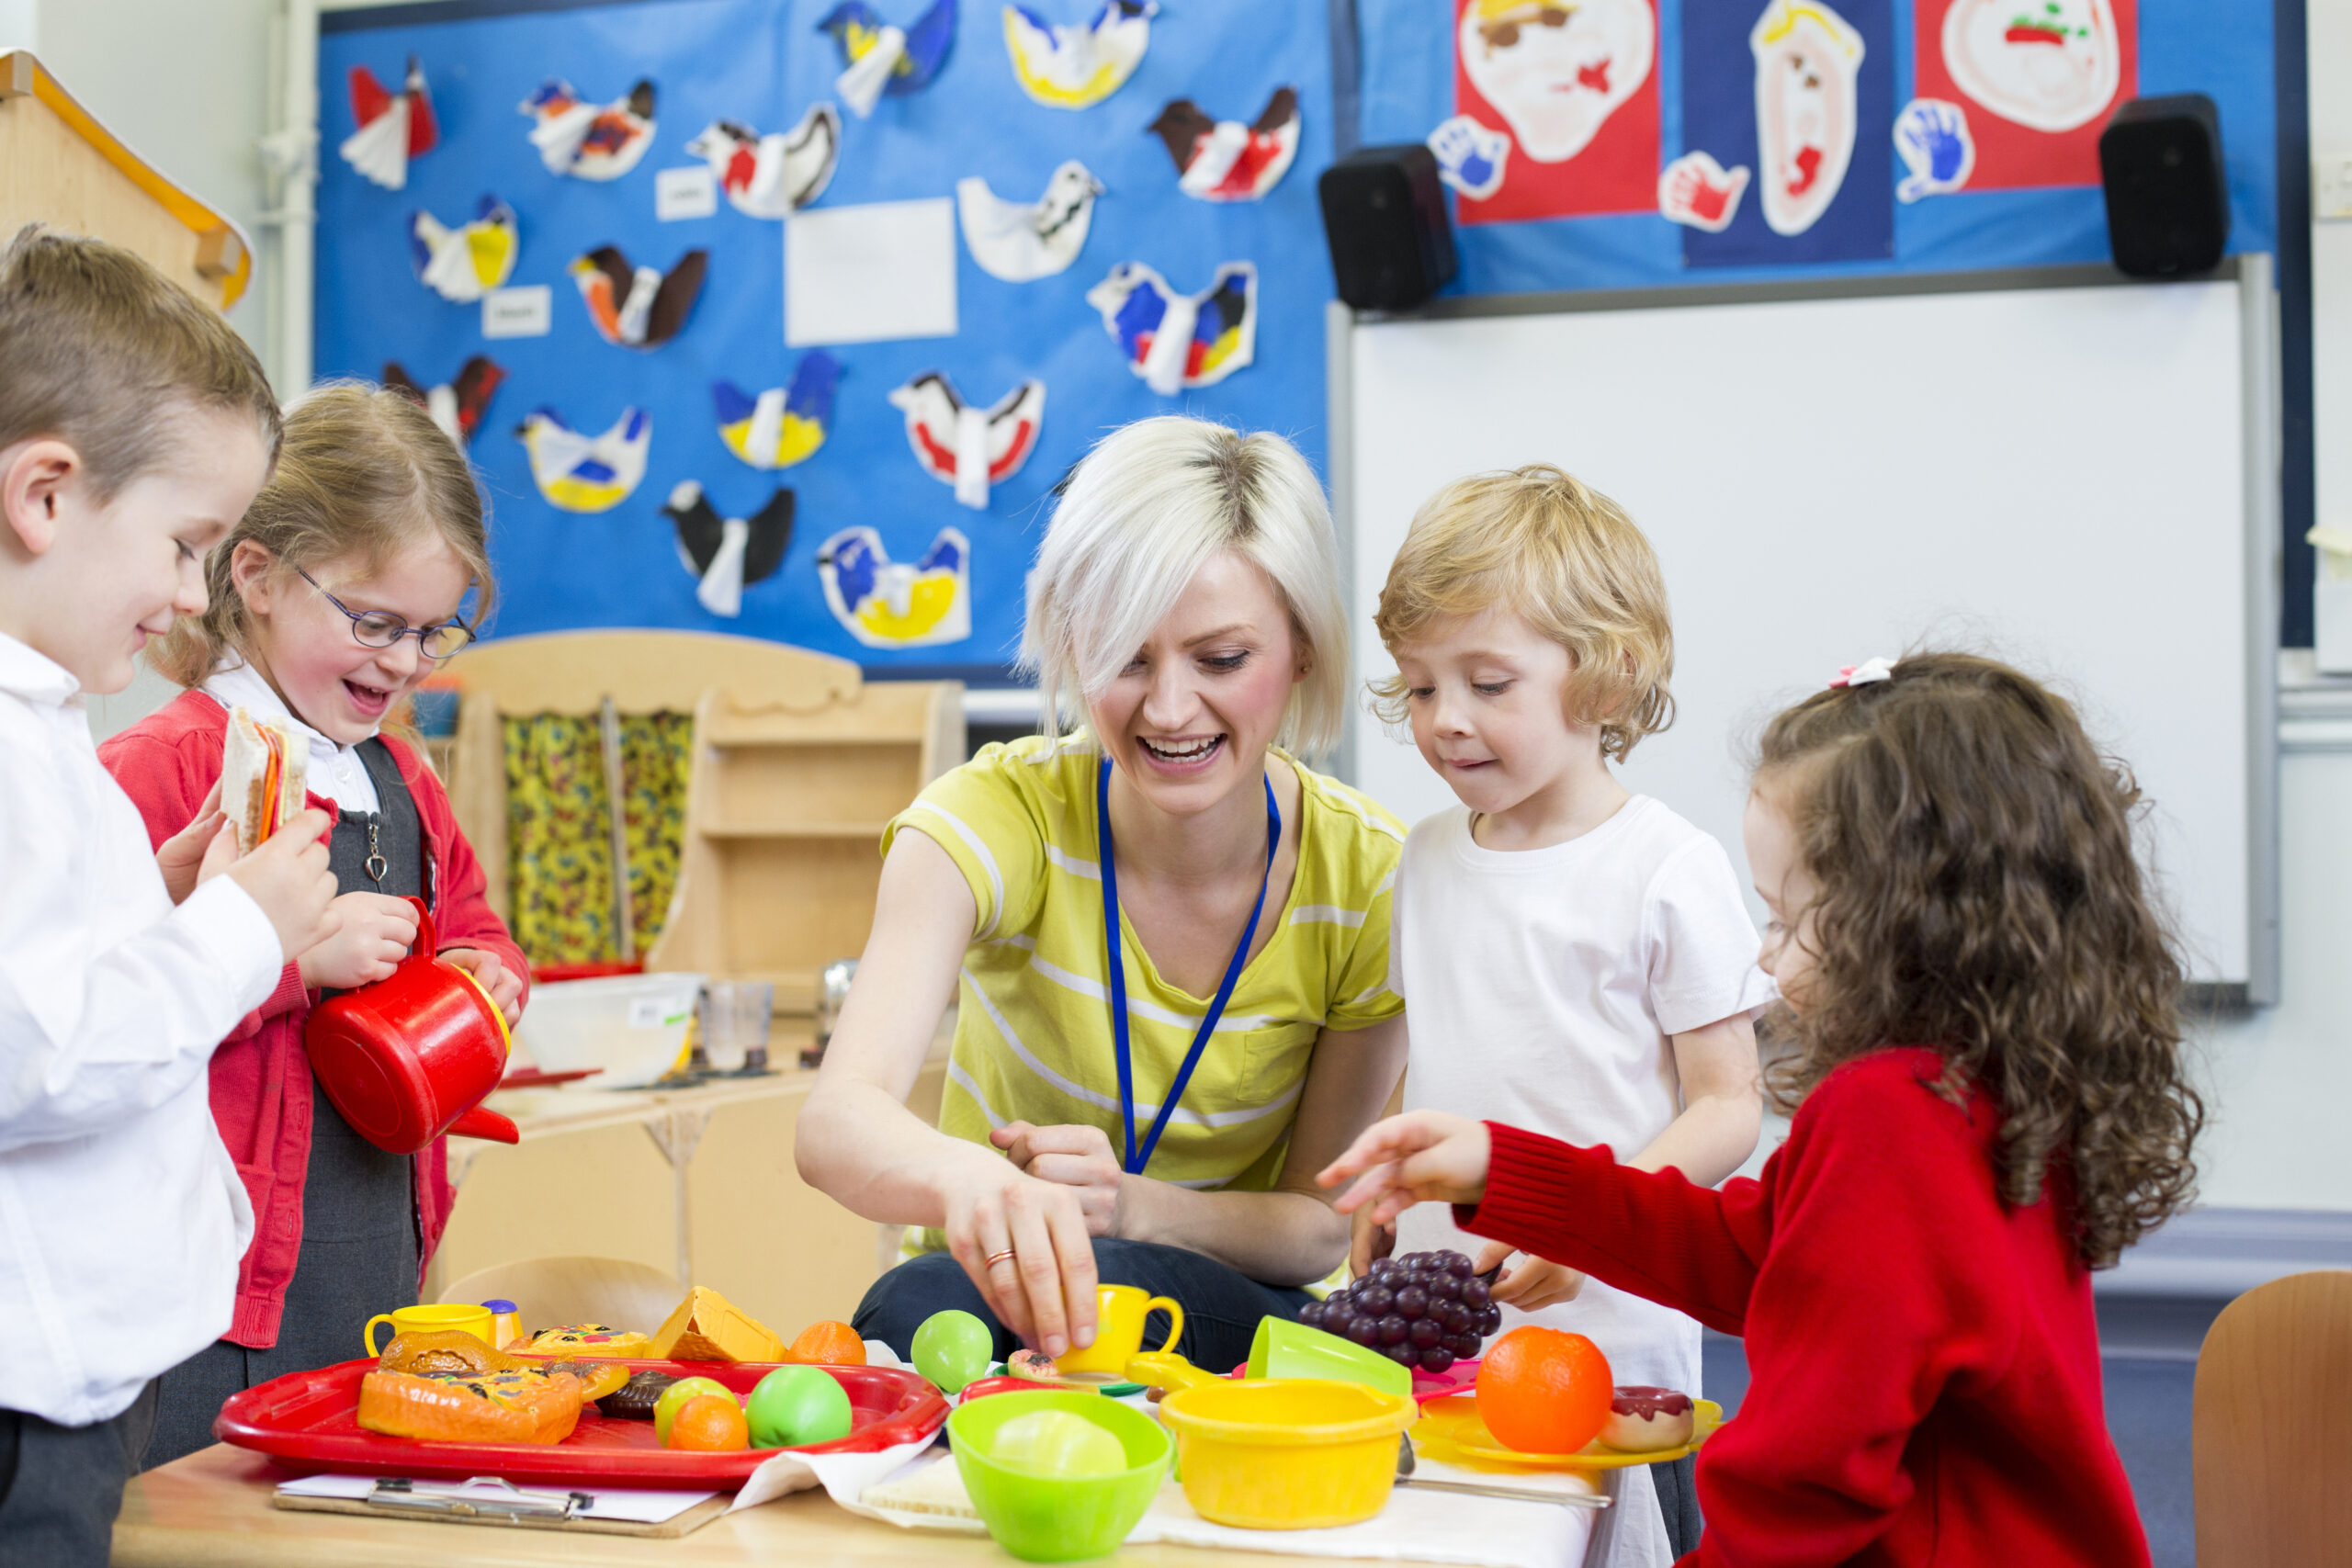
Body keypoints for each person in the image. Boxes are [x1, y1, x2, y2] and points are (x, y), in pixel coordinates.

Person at [1322, 651, 2201, 1567]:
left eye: (1786, 919)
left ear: (1906, 920)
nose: (1762, 957)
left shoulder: (1890, 1119)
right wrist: (1508, 1171)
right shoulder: (1987, 1088)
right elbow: (1759, 1258)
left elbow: (1804, 1475)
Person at [797, 417, 1408, 1371]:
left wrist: (1130, 1207)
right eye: (1126, 655)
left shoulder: (1369, 879)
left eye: (1219, 660)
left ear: (1301, 651)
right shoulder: (997, 817)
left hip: (1233, 1313)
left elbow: (1318, 1231)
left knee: (1117, 1280)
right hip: (990, 1297)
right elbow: (836, 1122)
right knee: (919, 1301)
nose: (1167, 709)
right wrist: (979, 1186)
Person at [101, 383, 528, 1468]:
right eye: (374, 623)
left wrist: (487, 970)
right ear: (254, 576)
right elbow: (104, 1024)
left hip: (371, 1255)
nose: (403, 663)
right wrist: (289, 965)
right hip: (215, 1298)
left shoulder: (400, 777)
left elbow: (477, 922)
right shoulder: (170, 768)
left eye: (435, 631)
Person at [0, 228, 339, 1567]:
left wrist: (161, 896)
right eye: (186, 543)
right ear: (44, 494)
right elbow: (37, 1049)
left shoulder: (45, 725)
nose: (189, 597)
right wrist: (238, 932)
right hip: (29, 1399)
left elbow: (42, 965)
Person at [1365, 466, 1770, 1562]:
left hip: (1616, 1338)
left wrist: (1589, 1226)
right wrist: (1389, 1183)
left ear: (1607, 678)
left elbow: (1729, 1106)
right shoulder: (1426, 858)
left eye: (1487, 682)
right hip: (1450, 1327)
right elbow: (1437, 1057)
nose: (1444, 721)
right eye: (1418, 687)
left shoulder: (1667, 867)